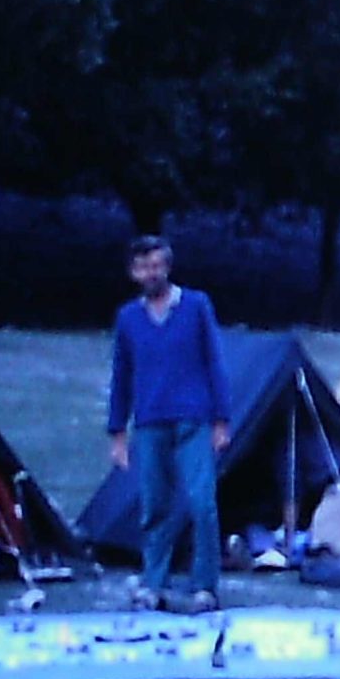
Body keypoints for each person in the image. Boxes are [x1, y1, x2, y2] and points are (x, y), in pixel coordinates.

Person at [106, 235, 232, 614]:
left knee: (201, 502)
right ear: (134, 272)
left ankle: (205, 585)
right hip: (150, 422)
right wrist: (117, 432)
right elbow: (122, 374)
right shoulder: (129, 318)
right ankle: (154, 582)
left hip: (194, 419)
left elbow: (215, 362)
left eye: (158, 265)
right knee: (154, 505)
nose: (152, 273)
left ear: (168, 266)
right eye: (144, 267)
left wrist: (221, 420)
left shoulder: (195, 306)